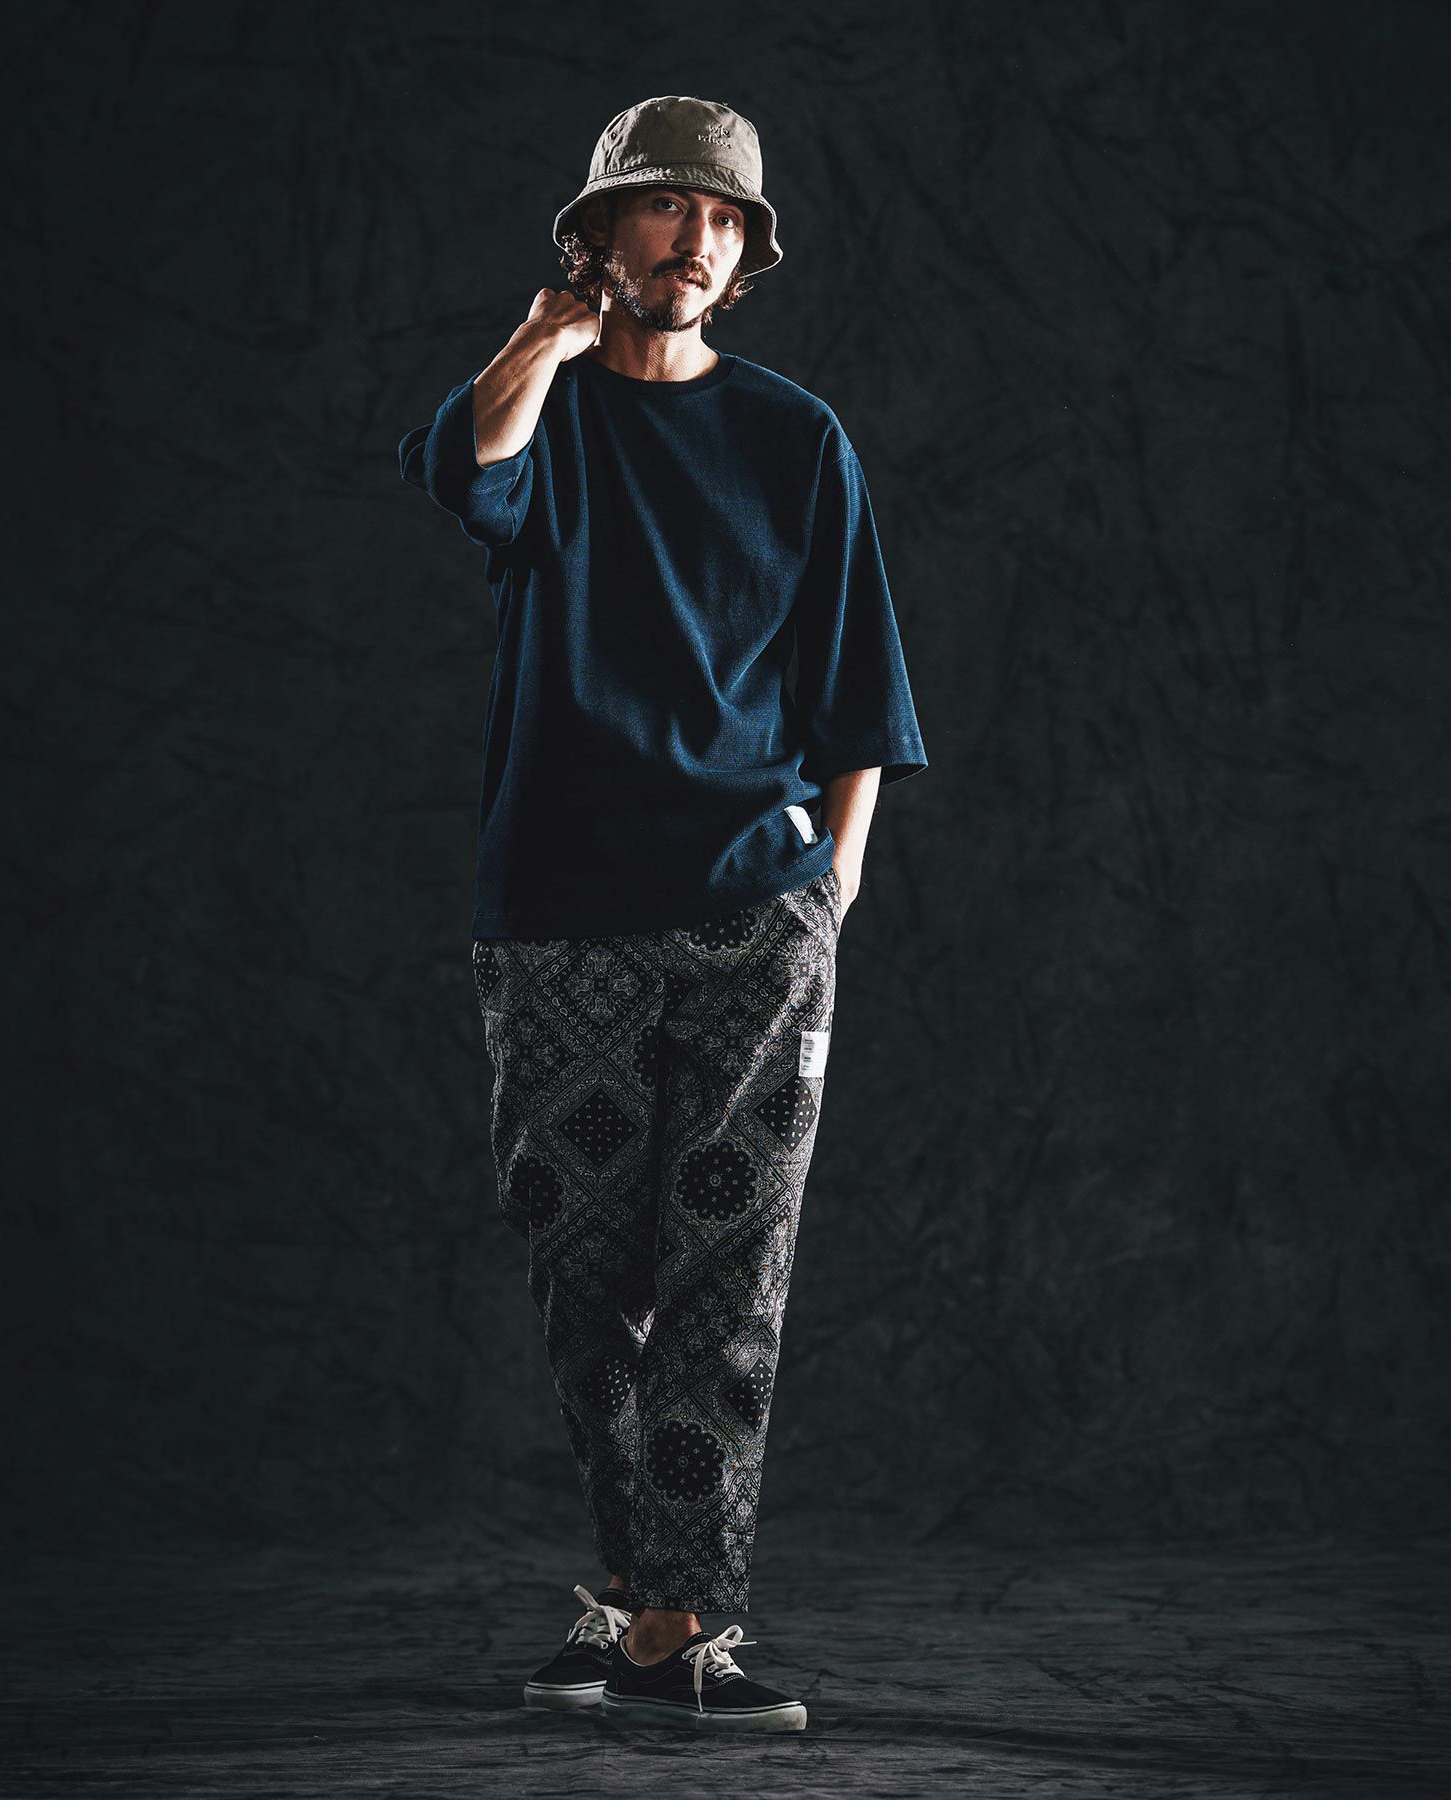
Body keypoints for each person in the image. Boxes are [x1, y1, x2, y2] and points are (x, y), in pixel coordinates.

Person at [398, 94, 927, 1731]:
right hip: (557, 908)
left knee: (729, 1274)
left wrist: (835, 878)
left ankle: (686, 1624)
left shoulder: (796, 436)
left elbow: (858, 680)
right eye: (662, 208)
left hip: (753, 912)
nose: (693, 240)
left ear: (745, 254)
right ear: (600, 233)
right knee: (592, 1274)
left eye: (721, 219)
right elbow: (463, 467)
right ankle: (636, 1603)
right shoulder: (544, 408)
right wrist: (546, 335)